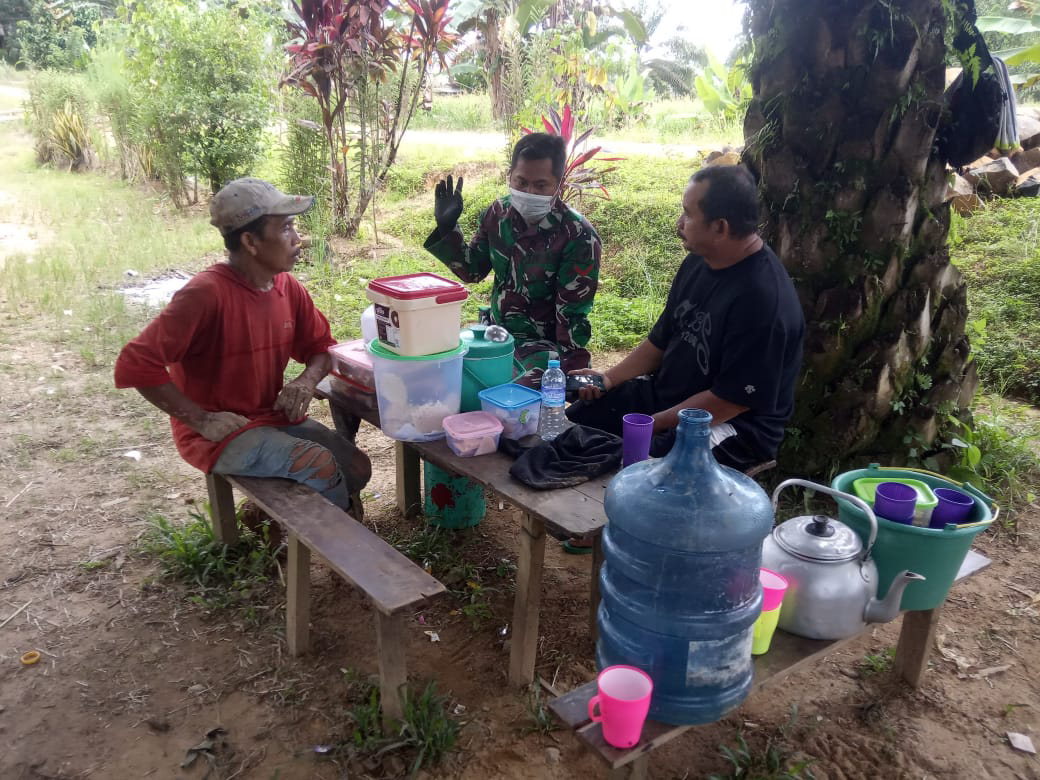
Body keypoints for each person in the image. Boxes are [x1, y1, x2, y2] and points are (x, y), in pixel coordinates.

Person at [114, 178, 371, 529]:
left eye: (294, 226)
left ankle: (268, 517)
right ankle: (345, 552)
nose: (298, 239)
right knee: (319, 463)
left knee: (358, 468)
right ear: (250, 242)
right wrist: (201, 420)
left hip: (268, 417)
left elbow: (321, 348)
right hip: (218, 435)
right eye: (285, 228)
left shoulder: (287, 287)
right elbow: (136, 364)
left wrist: (306, 381)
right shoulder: (205, 295)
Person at [567, 164, 805, 475]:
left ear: (720, 227)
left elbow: (728, 402)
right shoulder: (699, 261)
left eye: (688, 214)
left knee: (638, 469)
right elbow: (660, 341)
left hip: (728, 426)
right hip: (667, 398)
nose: (680, 223)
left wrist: (653, 425)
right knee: (578, 424)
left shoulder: (763, 302)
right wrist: (608, 379)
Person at [424, 132, 601, 385]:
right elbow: (472, 270)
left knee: (506, 394)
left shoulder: (578, 235)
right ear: (510, 176)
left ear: (558, 184)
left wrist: (573, 373)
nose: (528, 192)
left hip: (542, 349)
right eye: (521, 182)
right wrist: (447, 227)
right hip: (495, 335)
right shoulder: (498, 214)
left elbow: (572, 313)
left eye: (541, 185)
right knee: (443, 374)